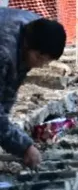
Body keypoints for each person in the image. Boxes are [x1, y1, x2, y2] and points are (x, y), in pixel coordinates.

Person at [0, 10, 66, 169]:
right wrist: (24, 147)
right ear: (29, 48)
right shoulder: (4, 53)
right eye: (40, 59)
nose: (41, 65)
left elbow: (7, 92)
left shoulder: (35, 31)